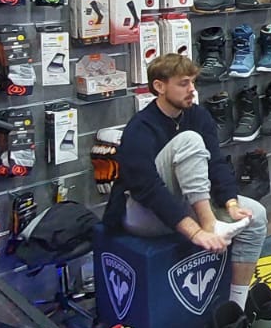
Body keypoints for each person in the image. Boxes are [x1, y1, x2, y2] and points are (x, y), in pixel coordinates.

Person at [103, 53, 262, 308]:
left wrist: (231, 203)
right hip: (142, 214)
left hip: (184, 204)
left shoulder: (198, 116)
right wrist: (196, 230)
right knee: (189, 140)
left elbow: (216, 163)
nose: (192, 90)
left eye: (193, 82)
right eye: (183, 83)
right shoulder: (140, 127)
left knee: (257, 215)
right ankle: (210, 223)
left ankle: (236, 306)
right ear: (159, 86)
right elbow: (148, 189)